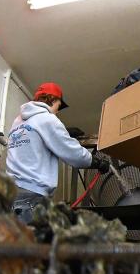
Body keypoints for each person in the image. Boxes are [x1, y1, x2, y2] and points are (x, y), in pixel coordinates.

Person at [6, 81, 109, 222]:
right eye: (59, 106)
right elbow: (73, 154)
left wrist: (64, 132)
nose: (58, 111)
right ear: (53, 100)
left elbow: (33, 143)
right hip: (32, 194)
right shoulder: (48, 119)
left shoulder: (18, 122)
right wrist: (95, 162)